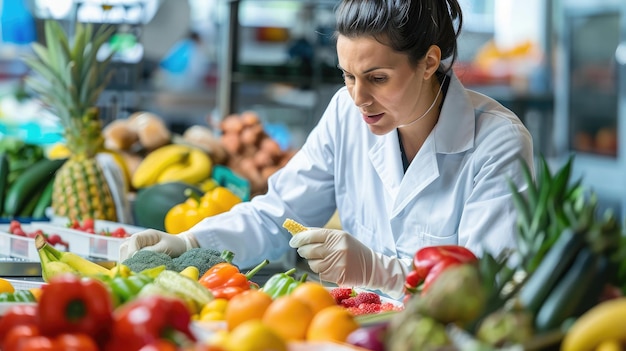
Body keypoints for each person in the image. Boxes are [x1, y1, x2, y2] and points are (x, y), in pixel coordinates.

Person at [120, 0, 534, 299]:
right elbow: (278, 216)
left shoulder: (497, 142)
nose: (358, 97)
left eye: (377, 77)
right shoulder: (345, 112)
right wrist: (192, 244)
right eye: (347, 76)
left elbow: (490, 287)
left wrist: (382, 272)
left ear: (428, 62)